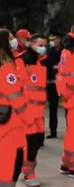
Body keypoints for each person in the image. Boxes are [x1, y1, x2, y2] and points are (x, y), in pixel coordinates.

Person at [0, 29, 33, 187]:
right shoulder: (6, 69)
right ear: (5, 43)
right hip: (11, 121)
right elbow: (15, 98)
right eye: (11, 38)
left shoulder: (7, 65)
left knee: (13, 160)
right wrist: (29, 119)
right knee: (11, 161)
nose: (14, 41)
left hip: (11, 121)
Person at [16, 33, 47, 186]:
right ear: (32, 44)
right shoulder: (23, 60)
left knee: (37, 142)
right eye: (40, 45)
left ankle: (29, 168)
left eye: (44, 45)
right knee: (31, 142)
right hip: (28, 110)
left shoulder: (40, 63)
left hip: (39, 111)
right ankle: (28, 172)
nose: (43, 48)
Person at [56, 31, 74, 178]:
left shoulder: (65, 52)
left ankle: (66, 163)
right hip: (72, 97)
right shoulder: (70, 54)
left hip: (70, 97)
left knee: (70, 132)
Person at [44, 34, 63, 138]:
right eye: (51, 40)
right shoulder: (49, 52)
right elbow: (47, 65)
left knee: (68, 108)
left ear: (59, 40)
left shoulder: (65, 50)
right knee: (53, 108)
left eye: (55, 39)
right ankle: (53, 131)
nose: (53, 42)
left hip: (64, 84)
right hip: (52, 83)